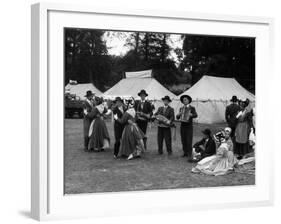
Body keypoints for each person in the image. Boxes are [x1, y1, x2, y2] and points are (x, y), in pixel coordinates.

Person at [176, 95, 198, 160]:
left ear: (188, 100)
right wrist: (178, 115)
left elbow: (196, 115)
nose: (184, 101)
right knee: (183, 140)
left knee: (189, 140)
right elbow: (177, 117)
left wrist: (192, 115)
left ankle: (189, 153)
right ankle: (185, 152)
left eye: (185, 99)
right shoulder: (181, 108)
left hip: (189, 126)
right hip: (182, 126)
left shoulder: (192, 108)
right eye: (183, 100)